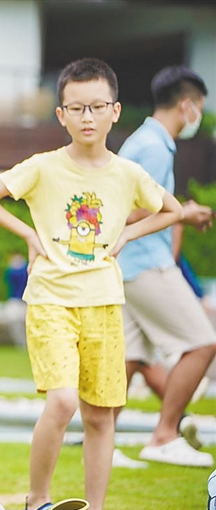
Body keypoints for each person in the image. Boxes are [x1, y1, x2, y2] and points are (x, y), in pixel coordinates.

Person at [0, 58, 182, 510]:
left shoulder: (126, 173)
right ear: (61, 115)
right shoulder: (43, 167)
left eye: (97, 107)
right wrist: (27, 233)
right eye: (77, 108)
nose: (88, 117)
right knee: (63, 401)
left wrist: (126, 232)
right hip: (51, 301)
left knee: (101, 415)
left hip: (104, 302)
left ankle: (95, 508)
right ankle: (37, 500)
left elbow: (172, 209)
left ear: (115, 111)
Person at [113, 66, 216, 468]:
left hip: (128, 264)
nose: (199, 118)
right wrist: (185, 214)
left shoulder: (144, 141)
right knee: (203, 343)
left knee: (129, 360)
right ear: (187, 105)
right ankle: (164, 435)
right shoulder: (155, 147)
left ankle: (99, 444)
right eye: (200, 109)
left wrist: (179, 213)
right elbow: (132, 210)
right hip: (144, 263)